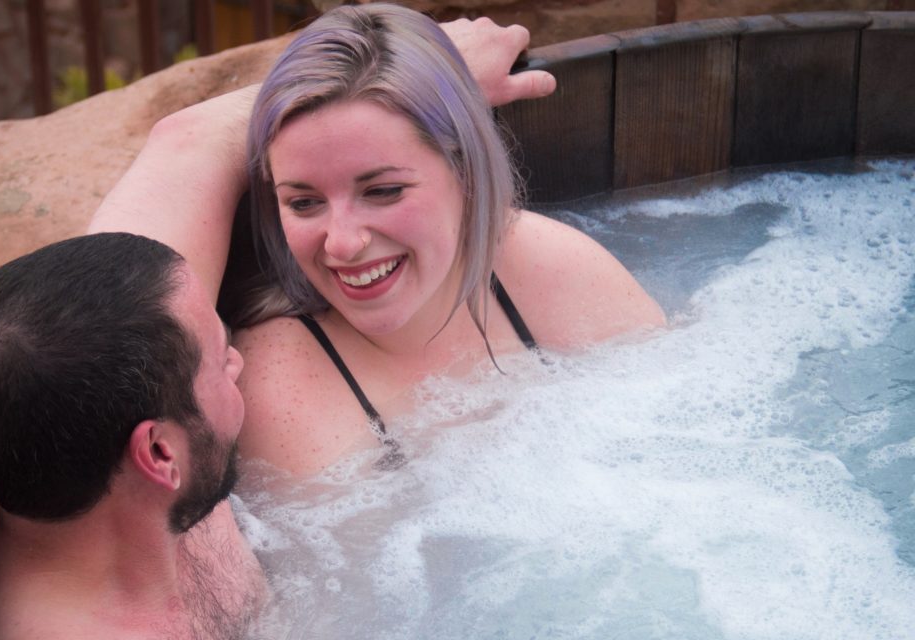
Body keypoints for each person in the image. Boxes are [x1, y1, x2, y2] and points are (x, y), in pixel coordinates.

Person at [0, 14, 555, 640]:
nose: (241, 354)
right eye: (218, 352)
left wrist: (422, 74)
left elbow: (187, 140)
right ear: (159, 452)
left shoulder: (122, 464)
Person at [232, 3, 666, 476]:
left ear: (465, 171)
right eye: (304, 202)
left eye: (382, 191)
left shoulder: (552, 267)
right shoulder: (283, 383)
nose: (342, 243)